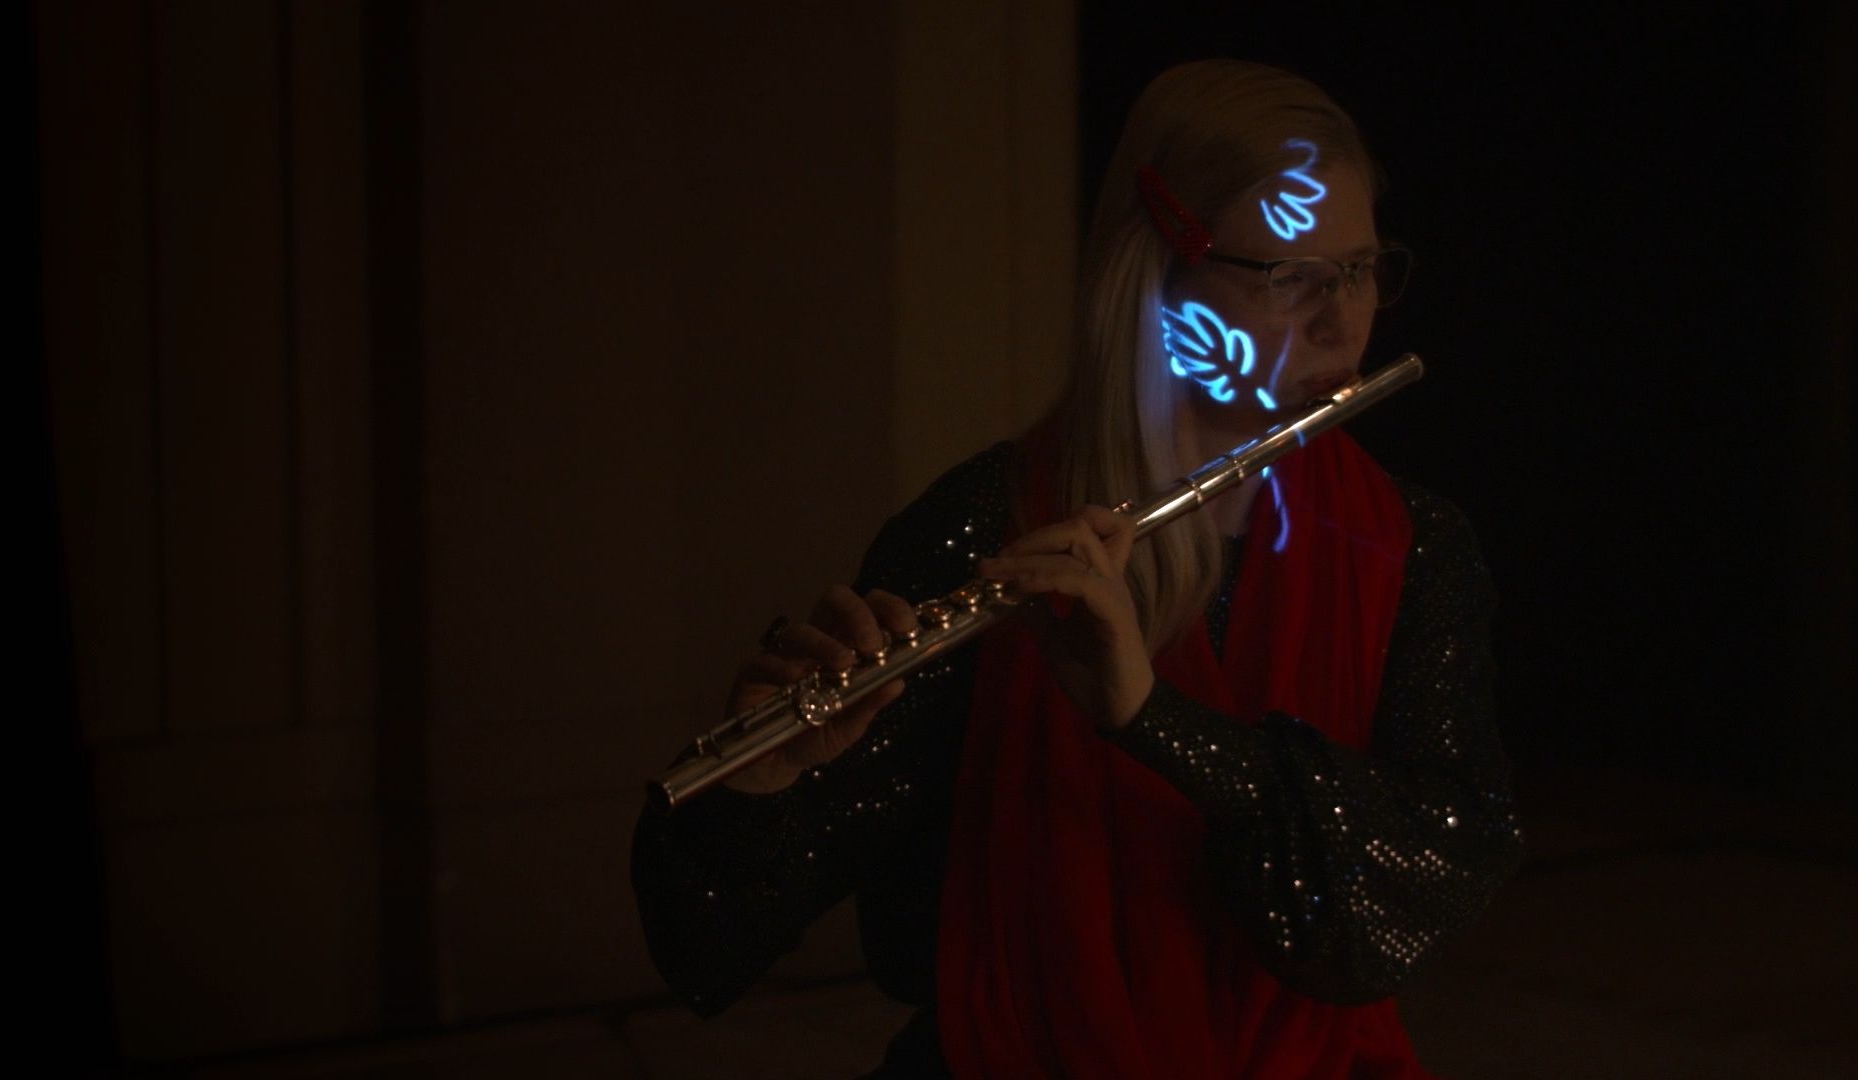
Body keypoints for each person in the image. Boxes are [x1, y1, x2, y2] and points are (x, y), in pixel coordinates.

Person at [632, 59, 1523, 1079]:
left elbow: (1433, 870)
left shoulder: (1413, 546)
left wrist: (1147, 718)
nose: (1341, 321)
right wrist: (765, 790)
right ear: (1159, 269)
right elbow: (711, 944)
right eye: (1291, 277)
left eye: (1360, 270)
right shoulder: (986, 524)